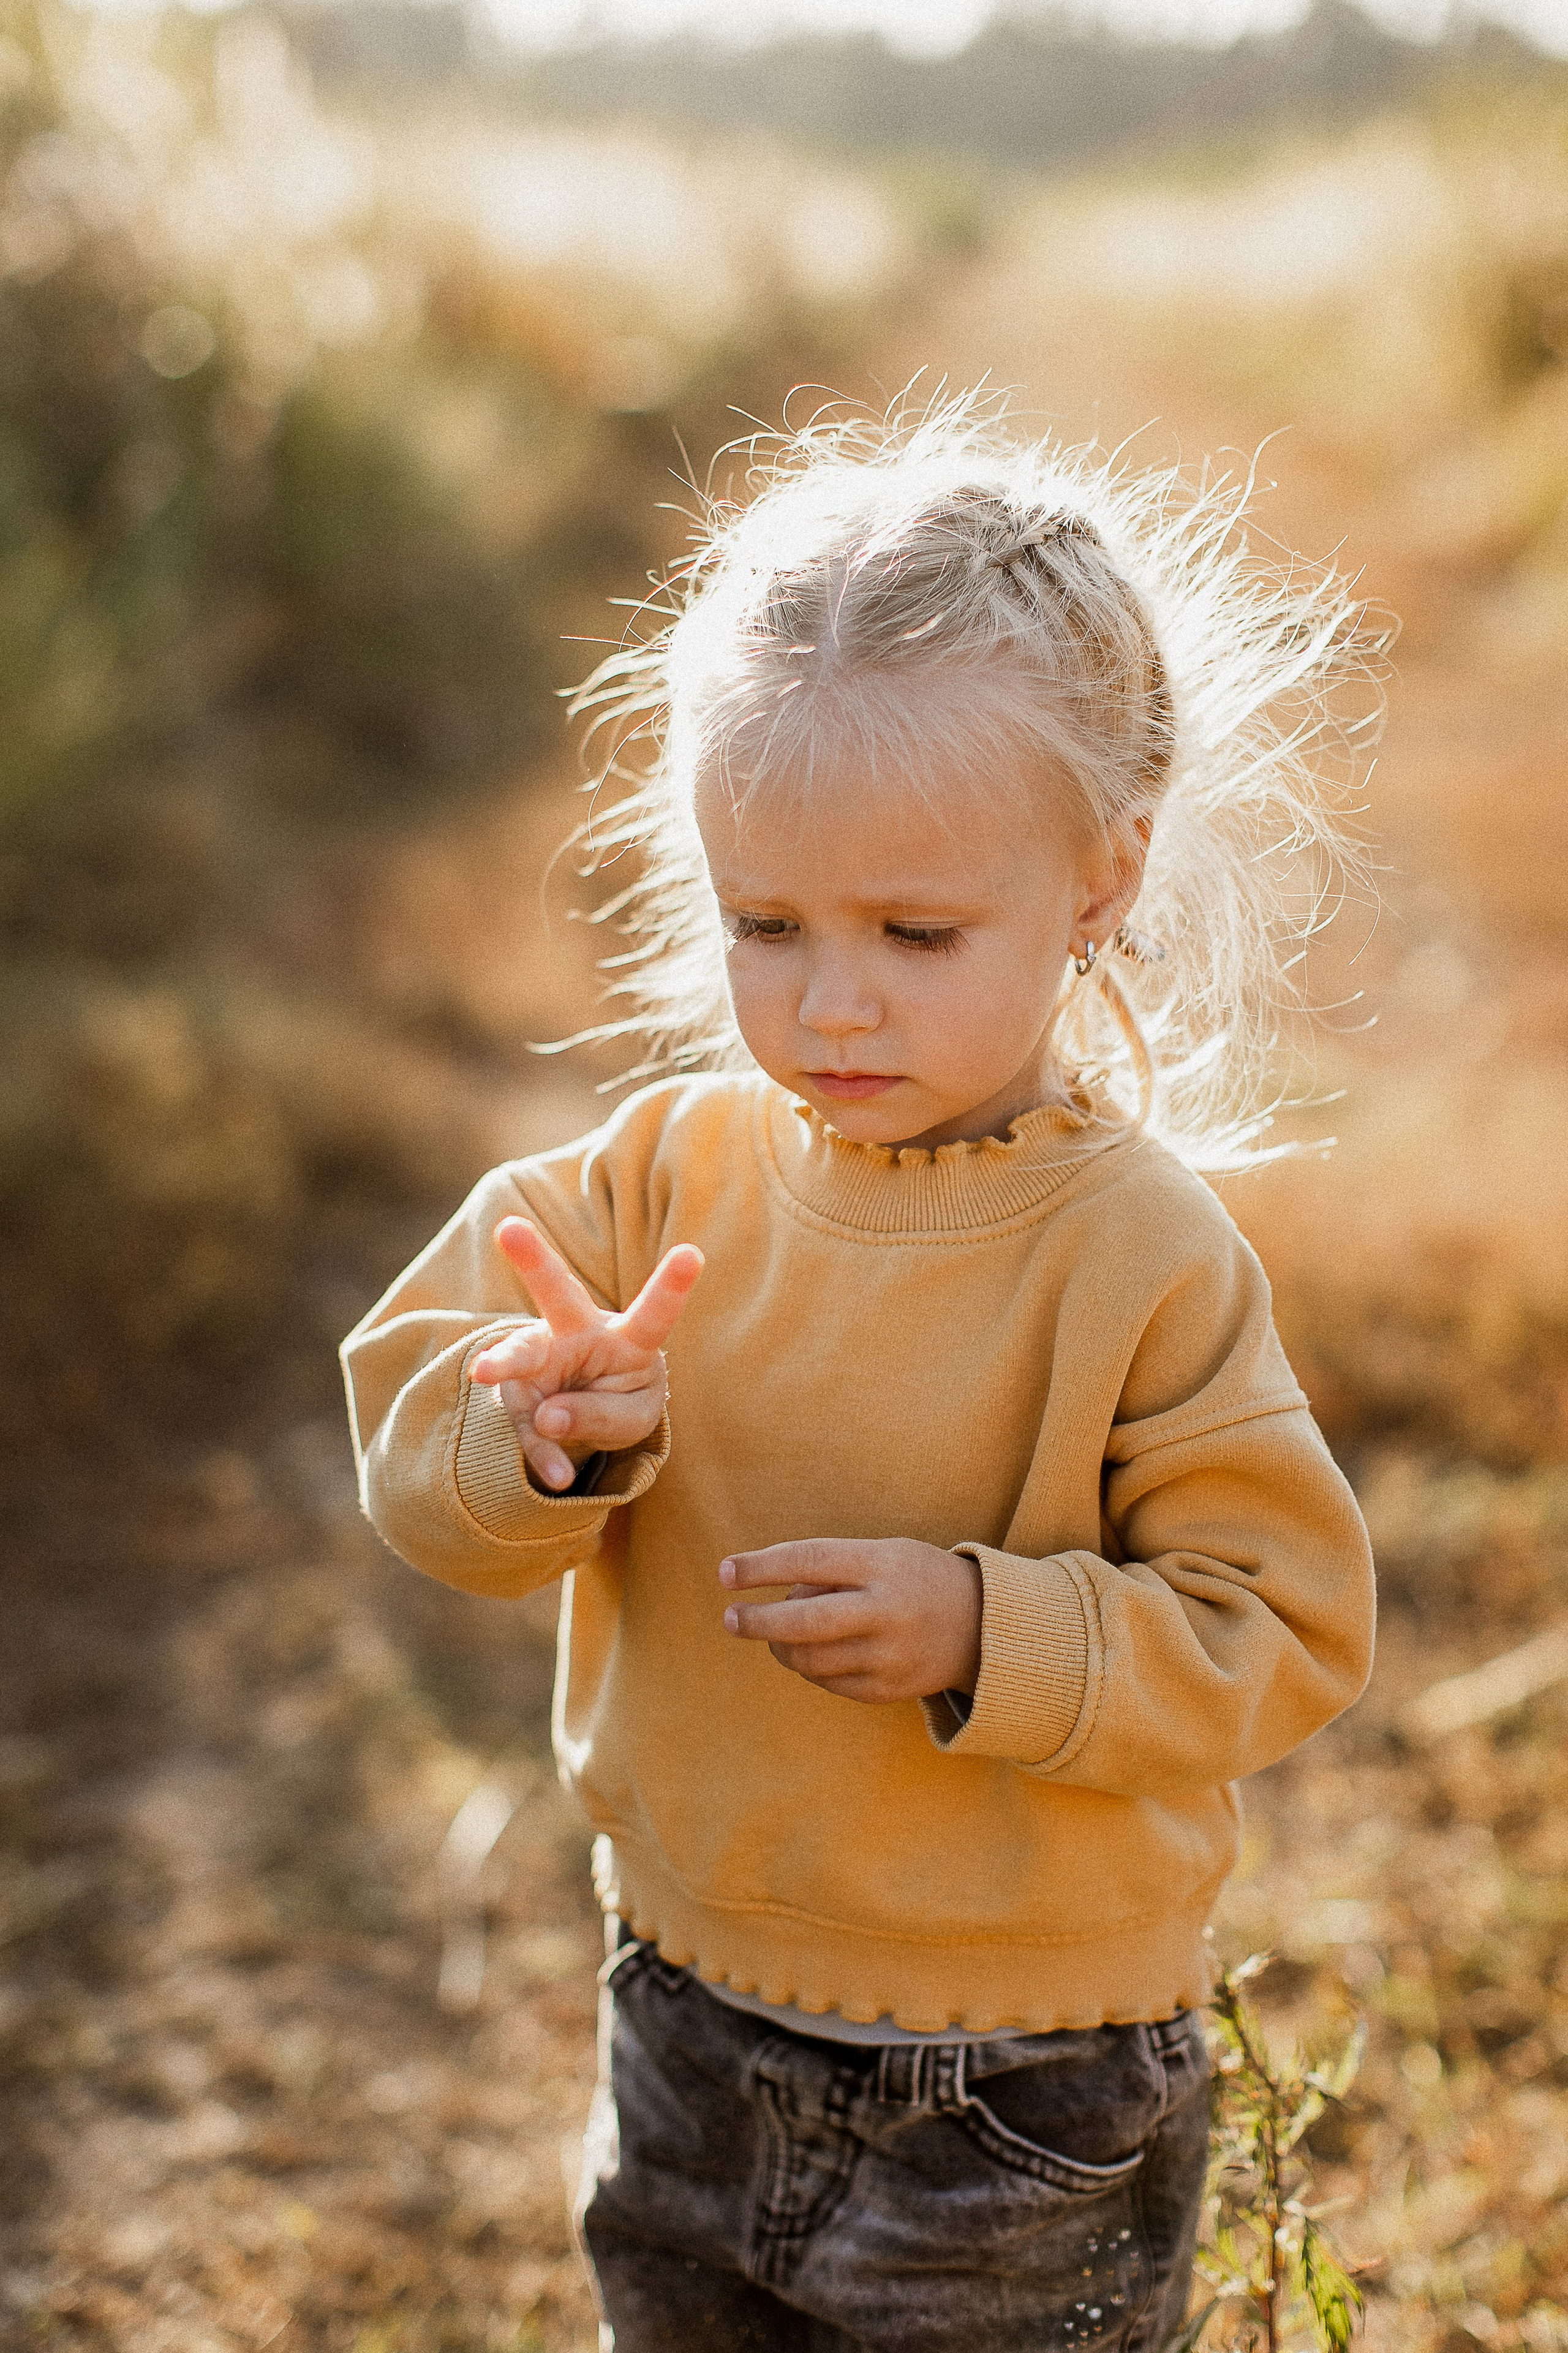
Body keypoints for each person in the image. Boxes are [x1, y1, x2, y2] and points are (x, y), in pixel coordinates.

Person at [341, 393, 1377, 2353]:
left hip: (1023, 2089)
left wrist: (992, 1629)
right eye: (767, 922)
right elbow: (412, 1451)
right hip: (680, 2010)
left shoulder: (1137, 1253)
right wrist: (528, 1428)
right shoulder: (652, 1183)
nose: (832, 999)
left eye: (916, 929)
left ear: (1101, 879)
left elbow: (1288, 1622)